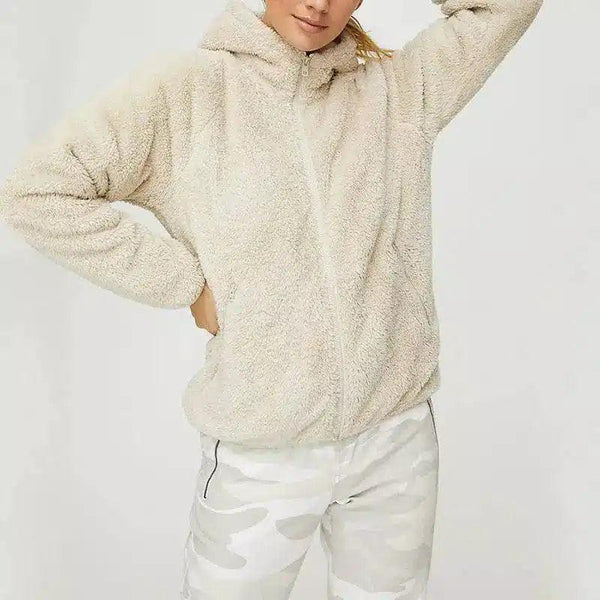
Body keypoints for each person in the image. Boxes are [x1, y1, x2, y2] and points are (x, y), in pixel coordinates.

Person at [0, 0, 543, 597]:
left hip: (395, 445)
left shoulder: (397, 93)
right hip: (263, 454)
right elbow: (36, 191)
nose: (319, 3)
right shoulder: (187, 93)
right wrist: (182, 281)